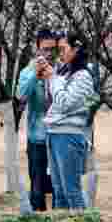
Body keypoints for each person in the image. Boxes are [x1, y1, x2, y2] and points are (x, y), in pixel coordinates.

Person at [42, 31, 97, 211]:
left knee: (71, 190)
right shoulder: (65, 73)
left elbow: (65, 103)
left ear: (76, 49)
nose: (60, 53)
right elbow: (56, 102)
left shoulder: (83, 76)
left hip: (69, 136)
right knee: (58, 191)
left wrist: (52, 78)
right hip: (54, 133)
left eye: (63, 49)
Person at [16, 28, 59, 211]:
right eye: (45, 49)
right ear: (38, 48)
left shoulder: (60, 70)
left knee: (59, 184)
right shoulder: (27, 71)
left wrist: (53, 77)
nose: (49, 54)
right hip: (38, 138)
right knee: (37, 187)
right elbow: (20, 96)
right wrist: (35, 74)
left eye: (53, 49)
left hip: (59, 136)